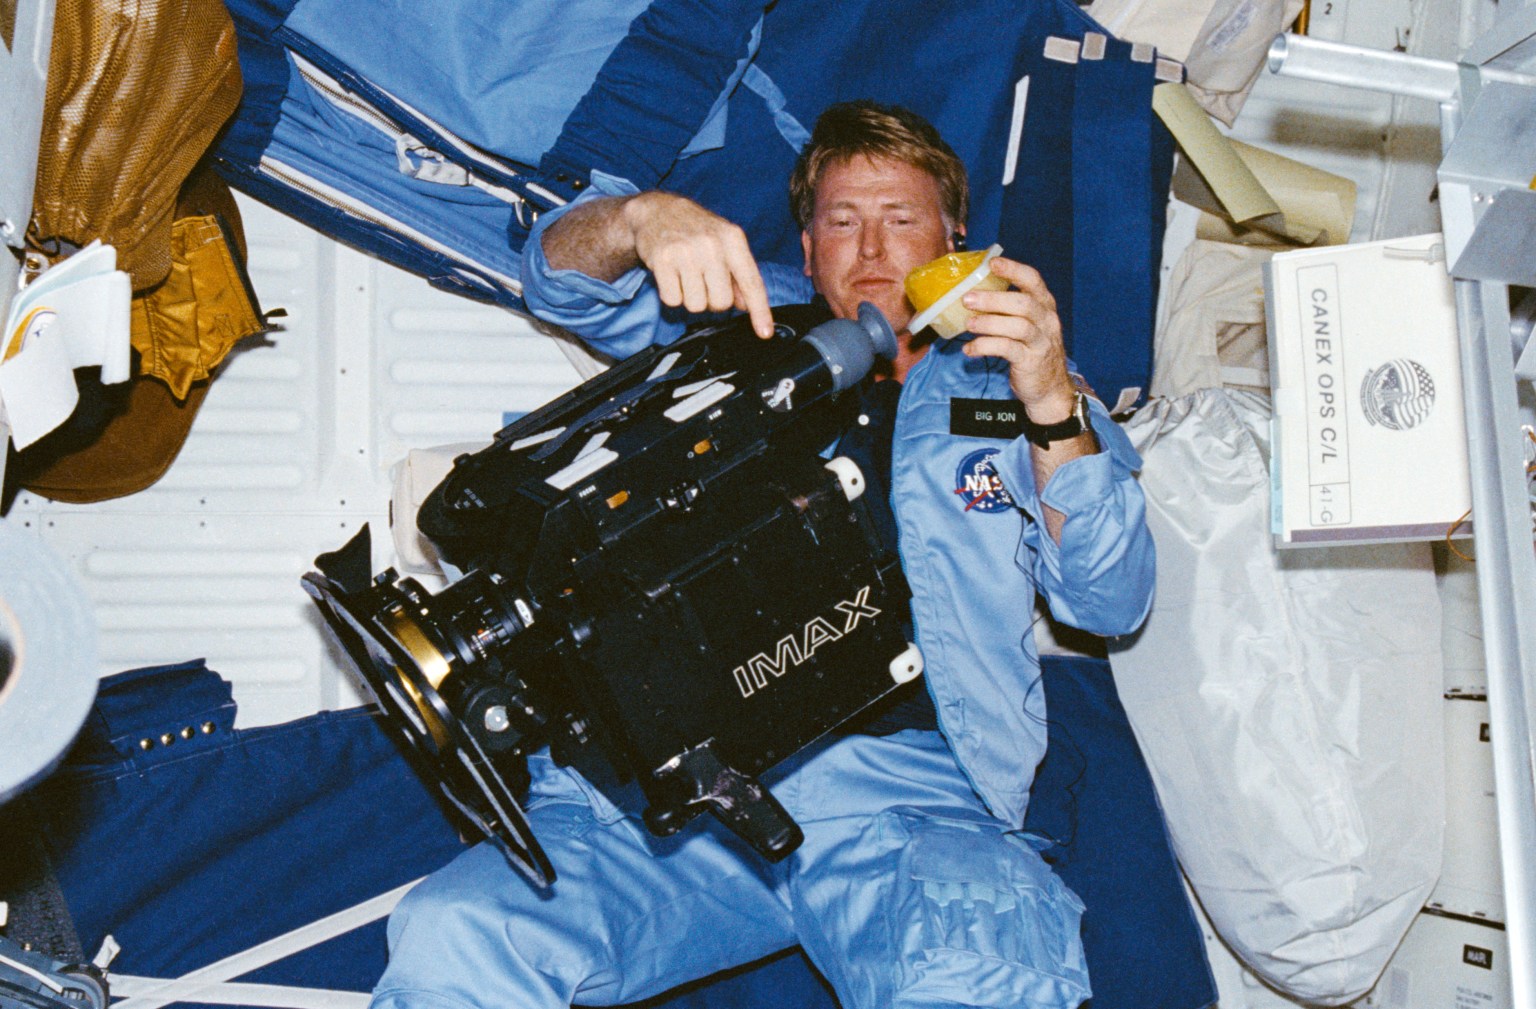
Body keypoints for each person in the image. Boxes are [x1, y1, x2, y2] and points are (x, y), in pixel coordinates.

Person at [370, 100, 1155, 1009]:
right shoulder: (733, 341)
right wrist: (636, 221)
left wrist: (1054, 407)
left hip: (904, 798)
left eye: (901, 221)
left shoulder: (1021, 386)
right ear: (807, 246)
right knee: (453, 937)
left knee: (981, 979)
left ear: (955, 237)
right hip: (664, 799)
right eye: (841, 223)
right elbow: (559, 281)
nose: (870, 253)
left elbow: (1109, 598)